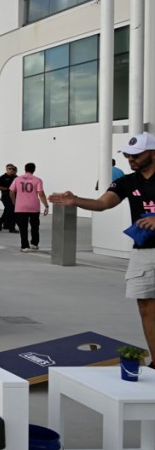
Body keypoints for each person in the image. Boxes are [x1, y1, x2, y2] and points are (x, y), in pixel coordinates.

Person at [50, 133, 155, 363]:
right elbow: (103, 203)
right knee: (146, 308)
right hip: (144, 251)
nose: (131, 159)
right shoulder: (127, 181)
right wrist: (75, 200)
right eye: (127, 155)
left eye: (136, 155)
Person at [10, 162, 49, 253]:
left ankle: (24, 246)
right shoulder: (37, 180)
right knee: (35, 226)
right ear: (34, 169)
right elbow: (41, 193)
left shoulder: (17, 179)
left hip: (20, 207)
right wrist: (46, 206)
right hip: (33, 206)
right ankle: (35, 244)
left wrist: (14, 202)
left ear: (25, 169)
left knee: (23, 227)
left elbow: (11, 192)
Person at [0, 163, 18, 233]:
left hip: (15, 196)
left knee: (8, 211)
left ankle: (2, 222)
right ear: (6, 169)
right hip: (6, 196)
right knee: (11, 210)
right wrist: (7, 189)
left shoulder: (16, 177)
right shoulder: (2, 177)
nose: (11, 170)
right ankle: (12, 228)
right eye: (9, 169)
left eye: (13, 169)